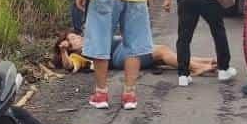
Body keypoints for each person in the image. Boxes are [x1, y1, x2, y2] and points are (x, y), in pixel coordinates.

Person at [53, 30, 216, 76]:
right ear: (69, 47)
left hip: (125, 47)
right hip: (120, 55)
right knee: (162, 52)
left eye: (75, 35)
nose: (77, 38)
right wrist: (63, 50)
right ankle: (196, 68)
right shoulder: (77, 56)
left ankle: (205, 63)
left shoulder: (90, 39)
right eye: (72, 39)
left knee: (162, 55)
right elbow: (68, 66)